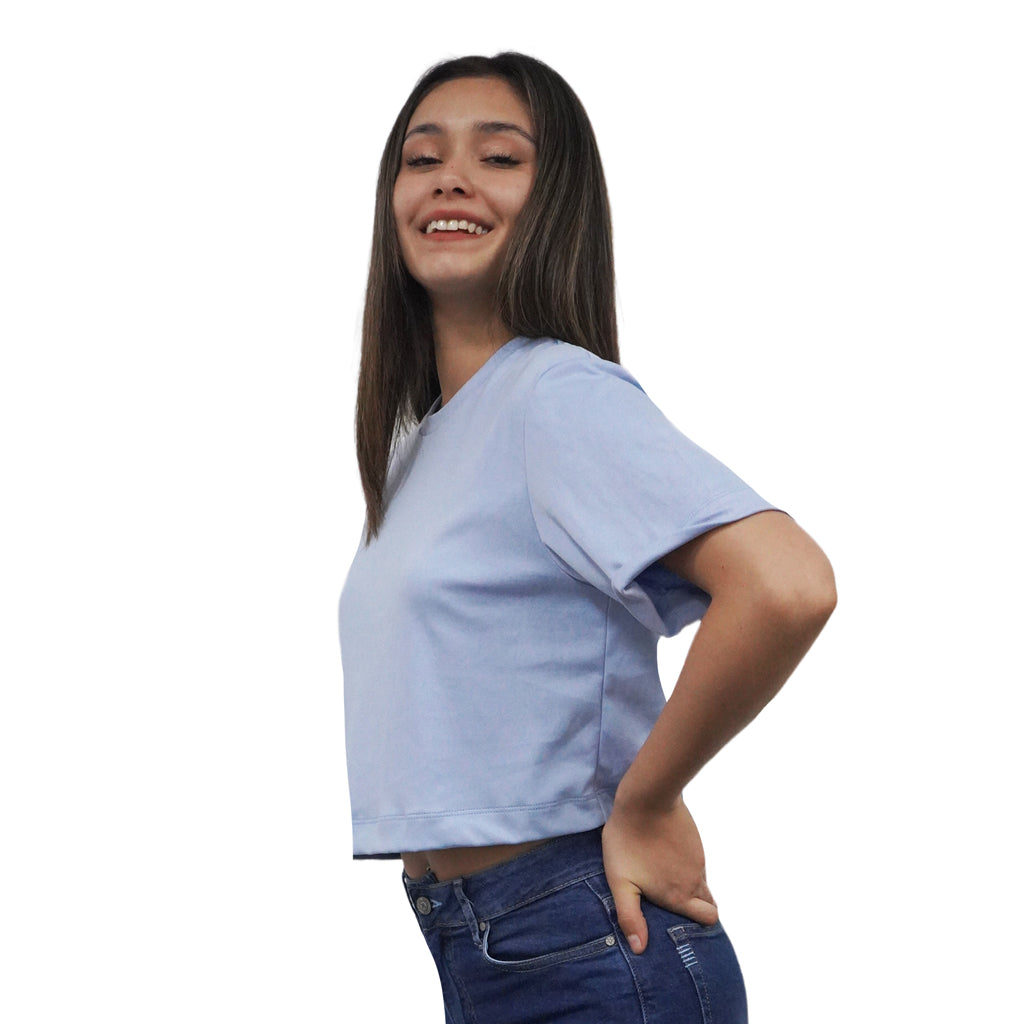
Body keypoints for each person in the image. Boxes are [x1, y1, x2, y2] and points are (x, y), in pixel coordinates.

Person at [338, 52, 836, 1023]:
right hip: (480, 944)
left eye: (499, 157)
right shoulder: (424, 445)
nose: (449, 178)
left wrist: (648, 800)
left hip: (588, 943)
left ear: (556, 200)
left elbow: (784, 583)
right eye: (421, 158)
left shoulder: (555, 394)